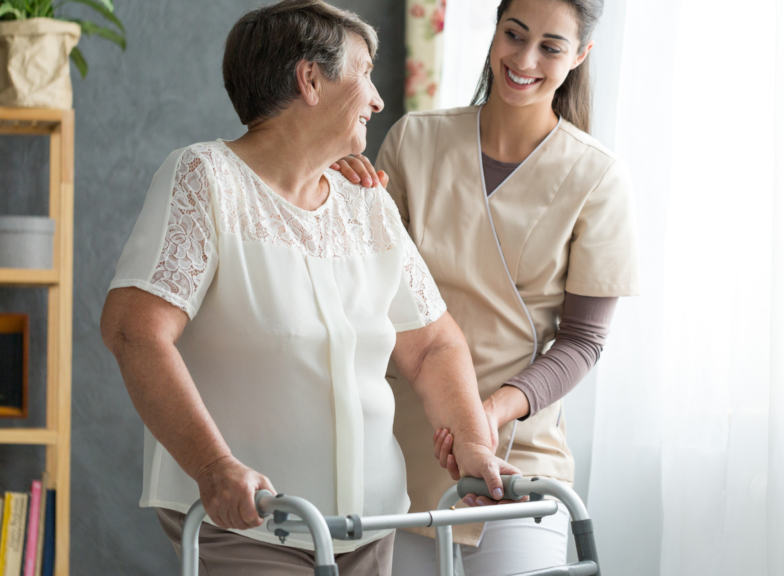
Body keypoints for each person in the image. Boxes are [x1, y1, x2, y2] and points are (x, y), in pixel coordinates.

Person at [99, 2, 516, 575]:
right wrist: (214, 466)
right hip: (250, 522)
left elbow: (433, 345)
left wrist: (472, 440)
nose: (377, 98)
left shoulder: (365, 202)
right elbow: (133, 330)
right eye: (363, 72)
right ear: (311, 80)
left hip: (370, 526)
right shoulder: (207, 179)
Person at [333, 0, 640, 573]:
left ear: (580, 56)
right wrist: (343, 196)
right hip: (405, 448)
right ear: (495, 32)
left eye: (550, 46)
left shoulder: (599, 178)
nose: (524, 59)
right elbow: (364, 289)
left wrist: (489, 412)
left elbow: (582, 343)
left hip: (521, 454)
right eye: (513, 35)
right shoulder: (413, 142)